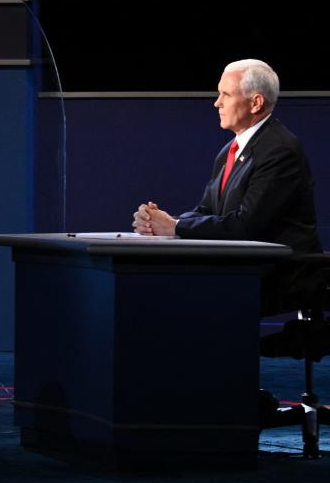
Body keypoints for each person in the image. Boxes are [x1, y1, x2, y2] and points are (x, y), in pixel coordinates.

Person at [131, 59, 322, 312]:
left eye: (226, 94)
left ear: (256, 103)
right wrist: (162, 223)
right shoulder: (229, 151)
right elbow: (207, 211)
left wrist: (175, 227)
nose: (216, 102)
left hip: (281, 274)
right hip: (240, 267)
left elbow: (246, 225)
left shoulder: (279, 150)